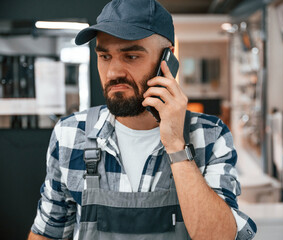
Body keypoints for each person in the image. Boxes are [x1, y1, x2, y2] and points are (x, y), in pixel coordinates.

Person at [28, 0, 257, 239]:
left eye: (131, 56)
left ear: (167, 60)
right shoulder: (70, 134)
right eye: (105, 56)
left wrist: (176, 146)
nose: (114, 72)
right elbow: (47, 233)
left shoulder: (210, 136)